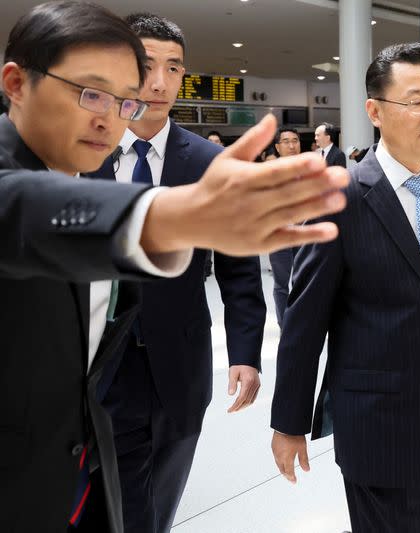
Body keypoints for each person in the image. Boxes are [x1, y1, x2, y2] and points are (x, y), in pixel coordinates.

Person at [0, 2, 348, 532]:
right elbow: (21, 210)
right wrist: (163, 215)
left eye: (122, 99)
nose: (110, 114)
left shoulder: (112, 158)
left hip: (122, 407)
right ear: (16, 83)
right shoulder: (46, 177)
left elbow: (234, 279)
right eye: (90, 92)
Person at [270, 43, 420, 533]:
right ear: (375, 111)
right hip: (377, 426)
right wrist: (289, 422)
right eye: (416, 101)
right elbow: (303, 323)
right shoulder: (339, 197)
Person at [91, 14, 266, 533]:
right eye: (146, 66)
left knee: (157, 503)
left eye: (174, 68)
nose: (161, 82)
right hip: (95, 364)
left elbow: (239, 271)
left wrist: (245, 353)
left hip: (178, 366)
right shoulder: (82, 151)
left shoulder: (211, 162)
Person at [268, 126, 301, 327]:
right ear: (278, 147)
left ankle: (300, 324)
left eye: (295, 140)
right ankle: (284, 325)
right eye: (286, 141)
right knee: (281, 285)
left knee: (303, 283)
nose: (291, 145)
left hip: (305, 236)